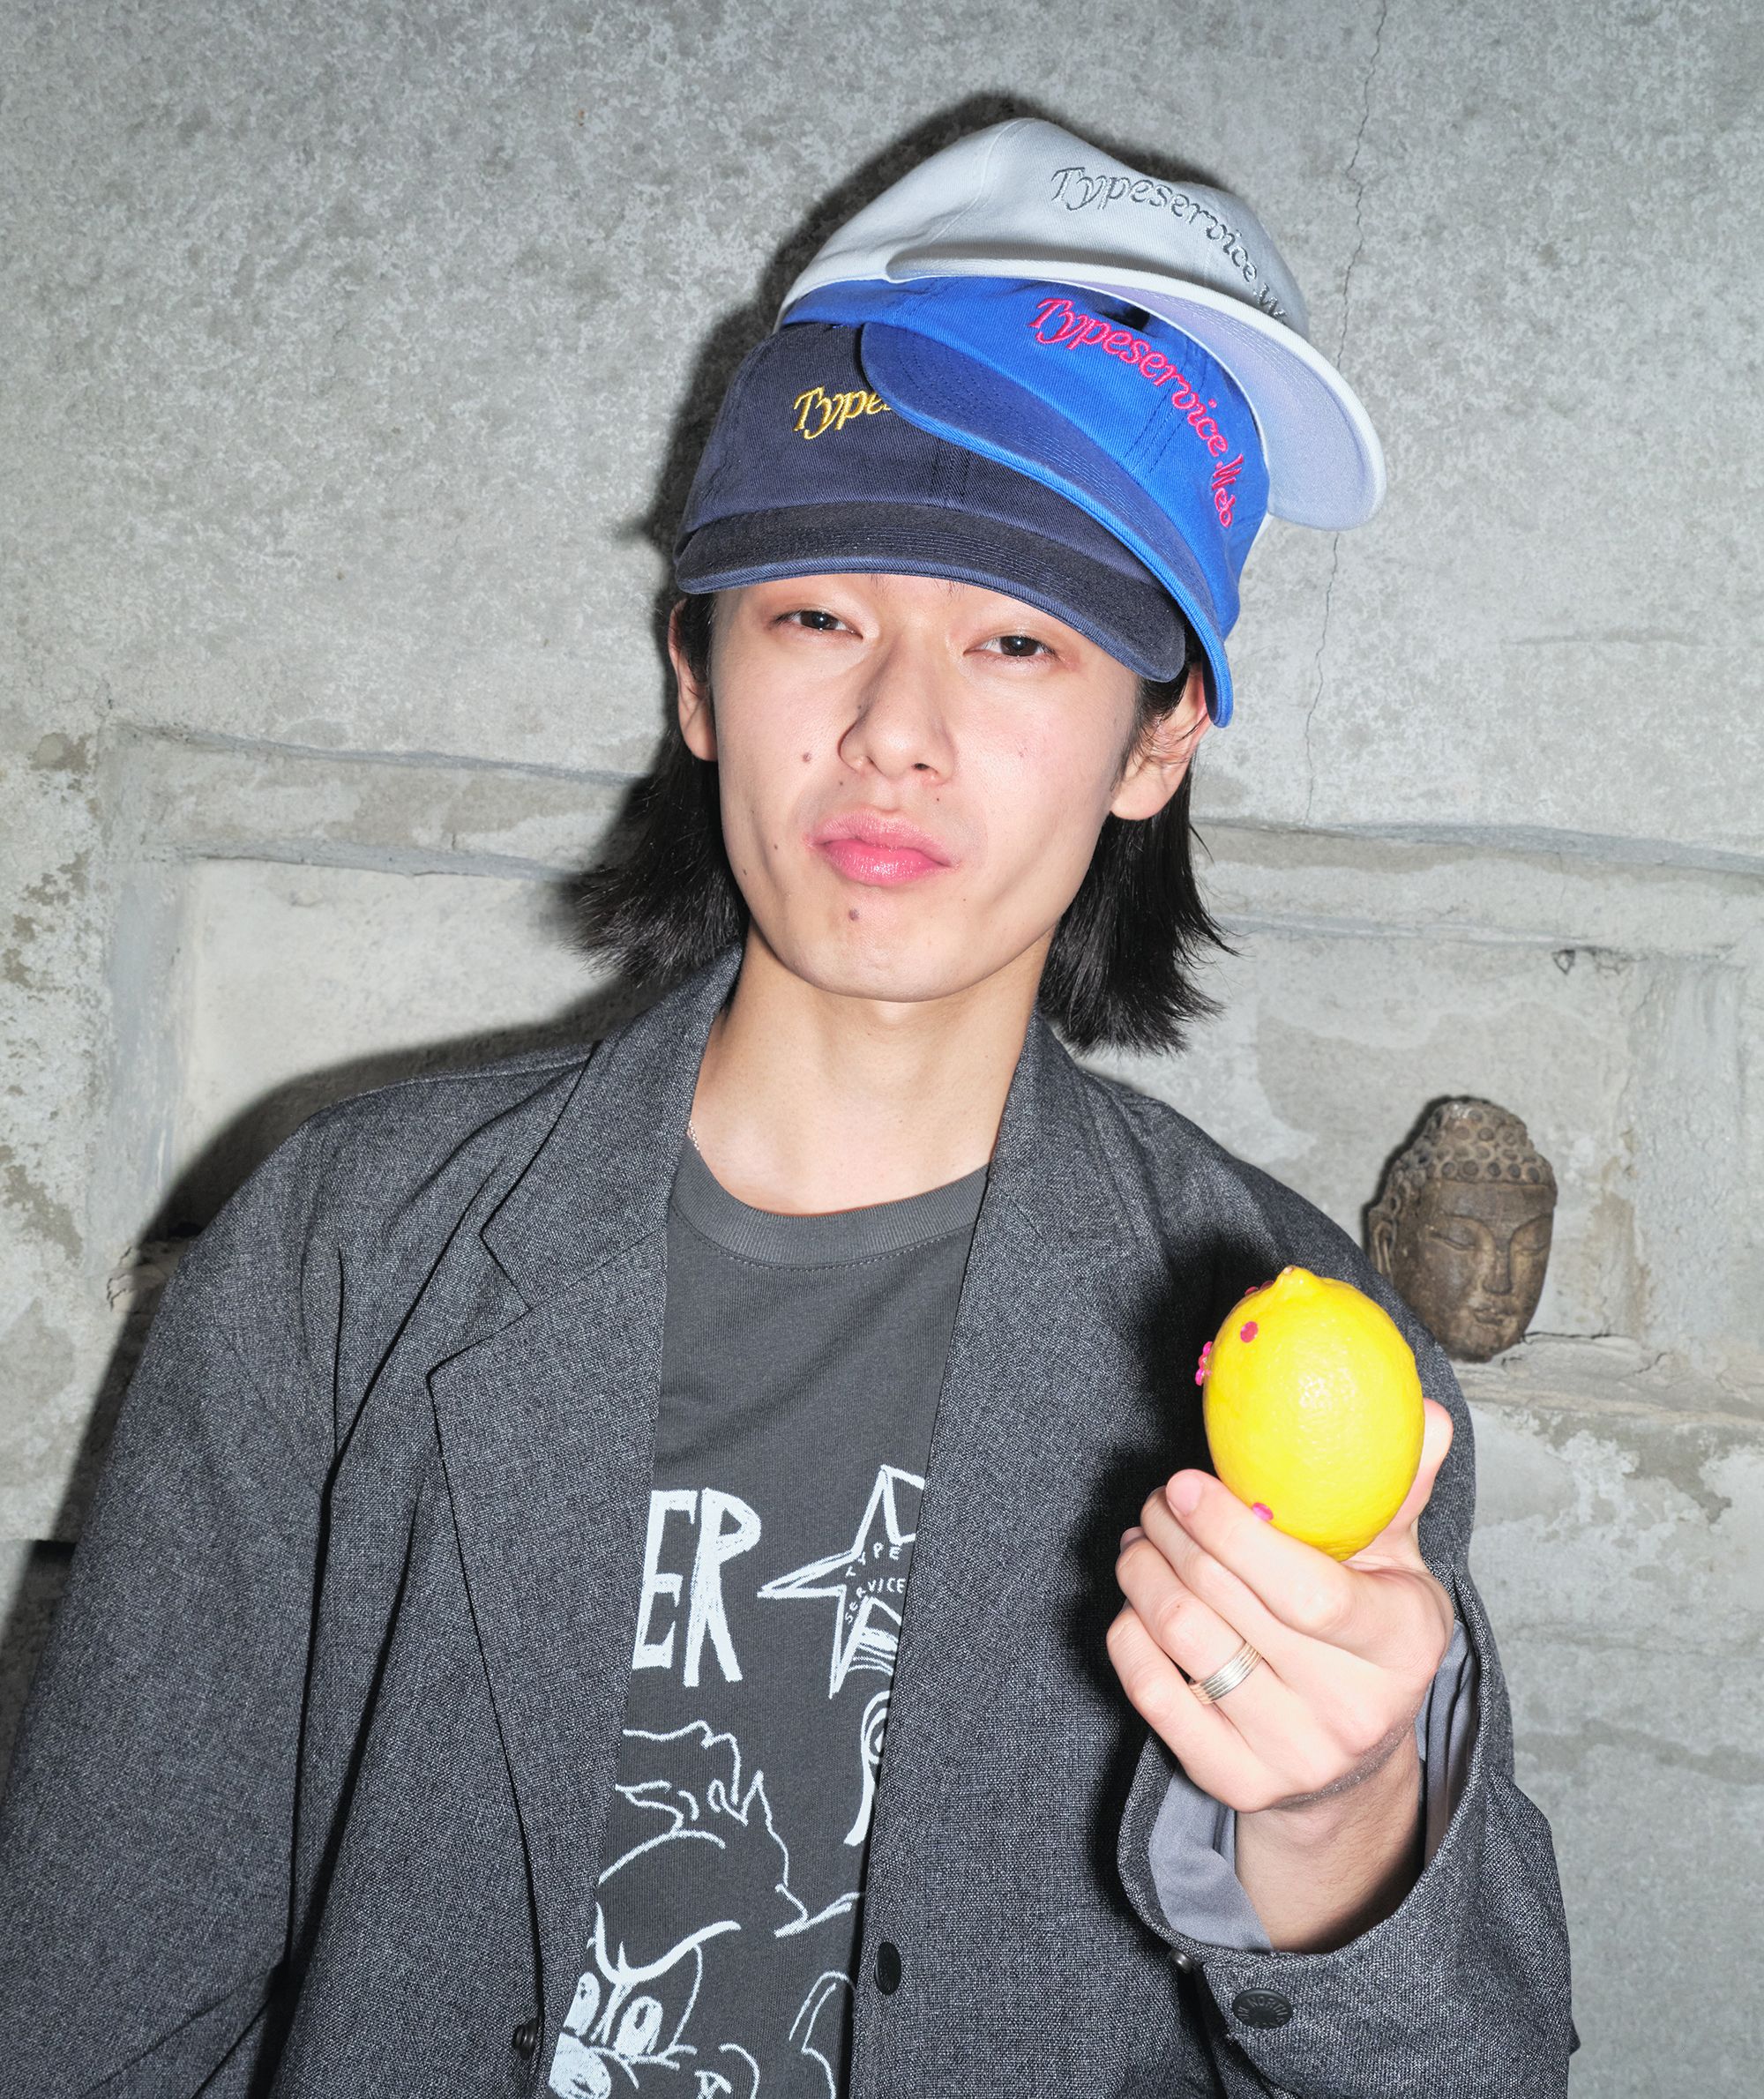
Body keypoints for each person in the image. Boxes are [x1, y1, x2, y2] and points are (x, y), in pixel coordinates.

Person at [0, 120, 1575, 2096]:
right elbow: (92, 2005)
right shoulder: (343, 1256)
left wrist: (1338, 1825)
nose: (895, 731)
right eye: (817, 615)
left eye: (1018, 641)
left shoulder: (1290, 1331)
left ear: (1158, 738)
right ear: (696, 676)